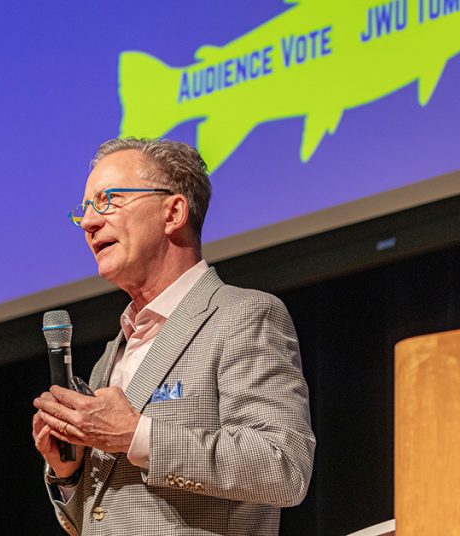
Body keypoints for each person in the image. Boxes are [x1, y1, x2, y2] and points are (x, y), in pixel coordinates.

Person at [32, 137, 315, 536]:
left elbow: (282, 467)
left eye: (108, 199)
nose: (90, 222)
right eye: (86, 209)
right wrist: (70, 473)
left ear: (173, 212)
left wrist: (135, 434)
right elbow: (105, 519)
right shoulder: (112, 355)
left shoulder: (242, 316)